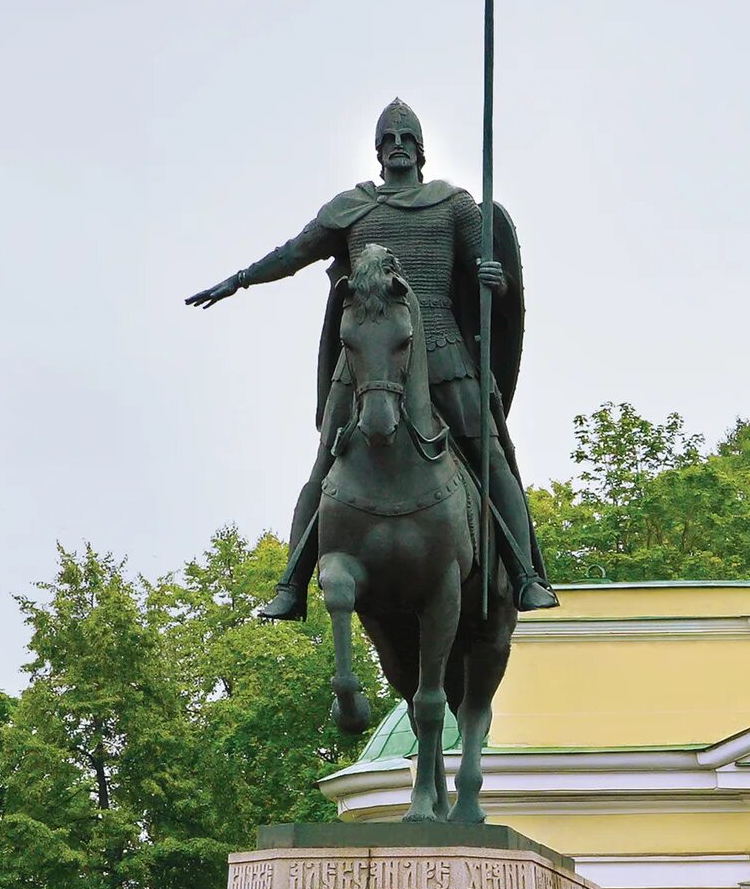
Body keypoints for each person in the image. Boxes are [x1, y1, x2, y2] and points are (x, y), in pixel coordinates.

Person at [188, 96, 556, 619]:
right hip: (364, 357)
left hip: (442, 344)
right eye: (389, 139)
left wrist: (496, 281)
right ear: (377, 149)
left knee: (491, 456)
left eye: (408, 139)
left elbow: (488, 275)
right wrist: (240, 279)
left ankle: (526, 575)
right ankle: (292, 583)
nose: (398, 147)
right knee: (324, 464)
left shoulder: (453, 205)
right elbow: (293, 253)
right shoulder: (353, 207)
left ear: (422, 150)